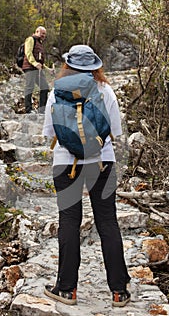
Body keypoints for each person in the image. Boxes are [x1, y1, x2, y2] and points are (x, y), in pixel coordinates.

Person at [42, 45, 131, 307]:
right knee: (107, 221)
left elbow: (49, 132)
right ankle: (119, 292)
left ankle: (66, 290)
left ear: (68, 65)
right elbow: (115, 130)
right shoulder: (105, 90)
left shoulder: (58, 91)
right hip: (102, 163)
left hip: (65, 162)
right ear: (95, 67)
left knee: (69, 220)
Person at [22, 26, 52, 114]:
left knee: (45, 87)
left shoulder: (40, 43)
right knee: (29, 87)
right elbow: (28, 53)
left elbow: (40, 61)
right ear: (37, 31)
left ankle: (42, 109)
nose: (44, 35)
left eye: (45, 34)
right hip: (30, 68)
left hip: (37, 69)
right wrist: (34, 63)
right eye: (42, 33)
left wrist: (48, 69)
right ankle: (28, 109)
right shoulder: (30, 39)